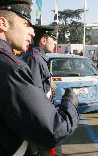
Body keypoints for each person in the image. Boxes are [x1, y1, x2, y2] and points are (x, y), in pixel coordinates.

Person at [0, 0, 79, 155]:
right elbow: (53, 129)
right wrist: (70, 103)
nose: (32, 31)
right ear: (3, 23)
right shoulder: (10, 68)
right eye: (25, 23)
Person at [21, 24, 62, 155]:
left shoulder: (39, 57)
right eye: (53, 39)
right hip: (38, 124)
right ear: (43, 40)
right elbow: (35, 97)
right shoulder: (35, 58)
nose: (55, 42)